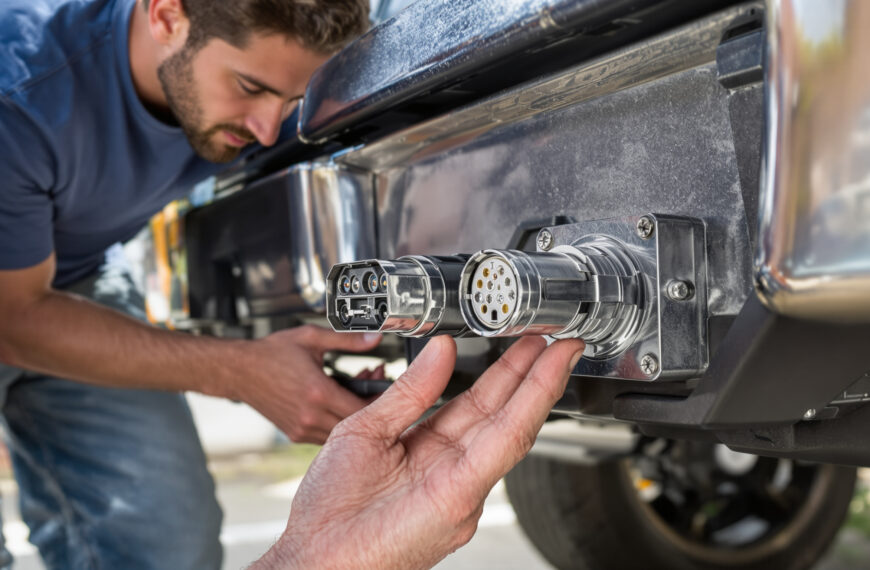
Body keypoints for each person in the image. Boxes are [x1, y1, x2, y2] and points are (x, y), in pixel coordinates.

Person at [0, 0, 373, 567]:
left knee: (165, 548)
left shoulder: (243, 89)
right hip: (16, 302)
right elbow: (14, 319)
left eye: (290, 100)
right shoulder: (22, 93)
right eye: (249, 86)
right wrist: (242, 369)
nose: (267, 128)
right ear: (167, 16)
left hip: (69, 277)